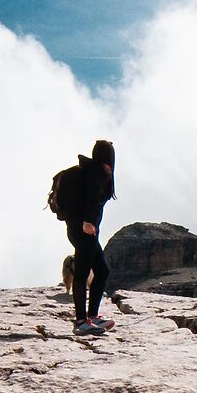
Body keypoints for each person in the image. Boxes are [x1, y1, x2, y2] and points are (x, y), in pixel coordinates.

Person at [62, 138, 117, 336]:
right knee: (83, 274)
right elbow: (93, 199)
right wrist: (88, 222)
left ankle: (92, 317)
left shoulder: (88, 170)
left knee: (101, 271)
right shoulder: (99, 172)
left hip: (78, 229)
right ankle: (81, 322)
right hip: (85, 229)